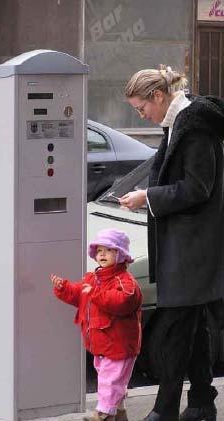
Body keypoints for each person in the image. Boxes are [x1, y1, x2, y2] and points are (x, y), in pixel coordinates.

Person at [119, 65, 224, 421]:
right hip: (188, 244)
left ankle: (164, 411)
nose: (141, 114)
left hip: (193, 248)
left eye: (141, 108)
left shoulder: (194, 130)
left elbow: (199, 187)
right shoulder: (180, 122)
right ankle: (201, 404)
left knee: (174, 333)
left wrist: (148, 196)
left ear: (159, 97)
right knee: (194, 331)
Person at [50, 228, 142, 421]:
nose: (102, 254)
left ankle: (103, 415)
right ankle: (118, 413)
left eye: (108, 250)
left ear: (120, 255)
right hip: (102, 345)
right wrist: (64, 288)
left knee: (109, 381)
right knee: (110, 380)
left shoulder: (125, 282)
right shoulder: (92, 278)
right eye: (99, 250)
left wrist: (95, 293)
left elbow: (122, 301)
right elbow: (79, 294)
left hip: (119, 345)